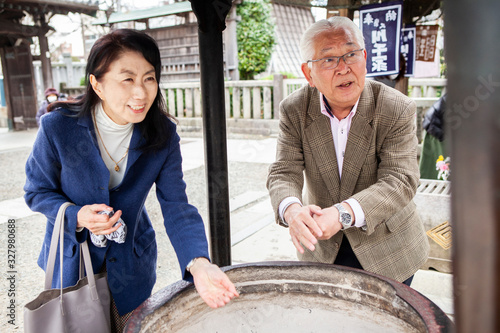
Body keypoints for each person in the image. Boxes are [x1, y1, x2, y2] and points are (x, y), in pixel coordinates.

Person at [24, 29, 238, 332]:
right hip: (73, 263)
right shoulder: (58, 128)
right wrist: (77, 215)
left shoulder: (162, 135)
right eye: (127, 79)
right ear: (97, 84)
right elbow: (36, 191)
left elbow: (177, 205)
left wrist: (199, 263)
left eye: (149, 78)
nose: (141, 92)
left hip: (131, 265)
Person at [267, 17, 429, 286]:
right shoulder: (294, 109)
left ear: (365, 58)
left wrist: (343, 214)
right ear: (309, 74)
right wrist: (292, 210)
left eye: (351, 54)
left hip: (388, 248)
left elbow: (400, 180)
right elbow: (284, 172)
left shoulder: (395, 108)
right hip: (322, 245)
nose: (343, 68)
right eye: (329, 59)